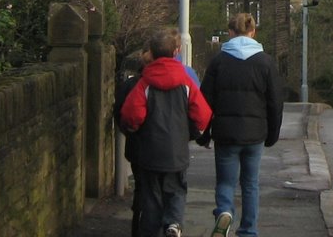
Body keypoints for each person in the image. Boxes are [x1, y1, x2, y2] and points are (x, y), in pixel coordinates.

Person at [121, 28, 213, 237]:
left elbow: (131, 114)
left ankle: (152, 230)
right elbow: (203, 114)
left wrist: (134, 130)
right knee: (177, 191)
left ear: (151, 53)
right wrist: (192, 133)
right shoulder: (185, 82)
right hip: (176, 151)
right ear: (176, 51)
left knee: (151, 198)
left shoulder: (145, 83)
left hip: (150, 151)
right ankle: (173, 223)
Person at [199, 12, 283, 237]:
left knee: (225, 181)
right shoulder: (266, 62)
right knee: (250, 184)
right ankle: (248, 230)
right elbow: (275, 101)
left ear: (230, 32)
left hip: (225, 133)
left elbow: (205, 100)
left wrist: (203, 134)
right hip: (255, 134)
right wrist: (272, 133)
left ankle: (225, 212)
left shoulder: (218, 62)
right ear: (253, 32)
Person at [114, 46, 153, 237]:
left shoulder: (131, 86)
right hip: (169, 150)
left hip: (137, 147)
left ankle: (138, 228)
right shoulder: (179, 83)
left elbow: (120, 114)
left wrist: (129, 132)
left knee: (141, 188)